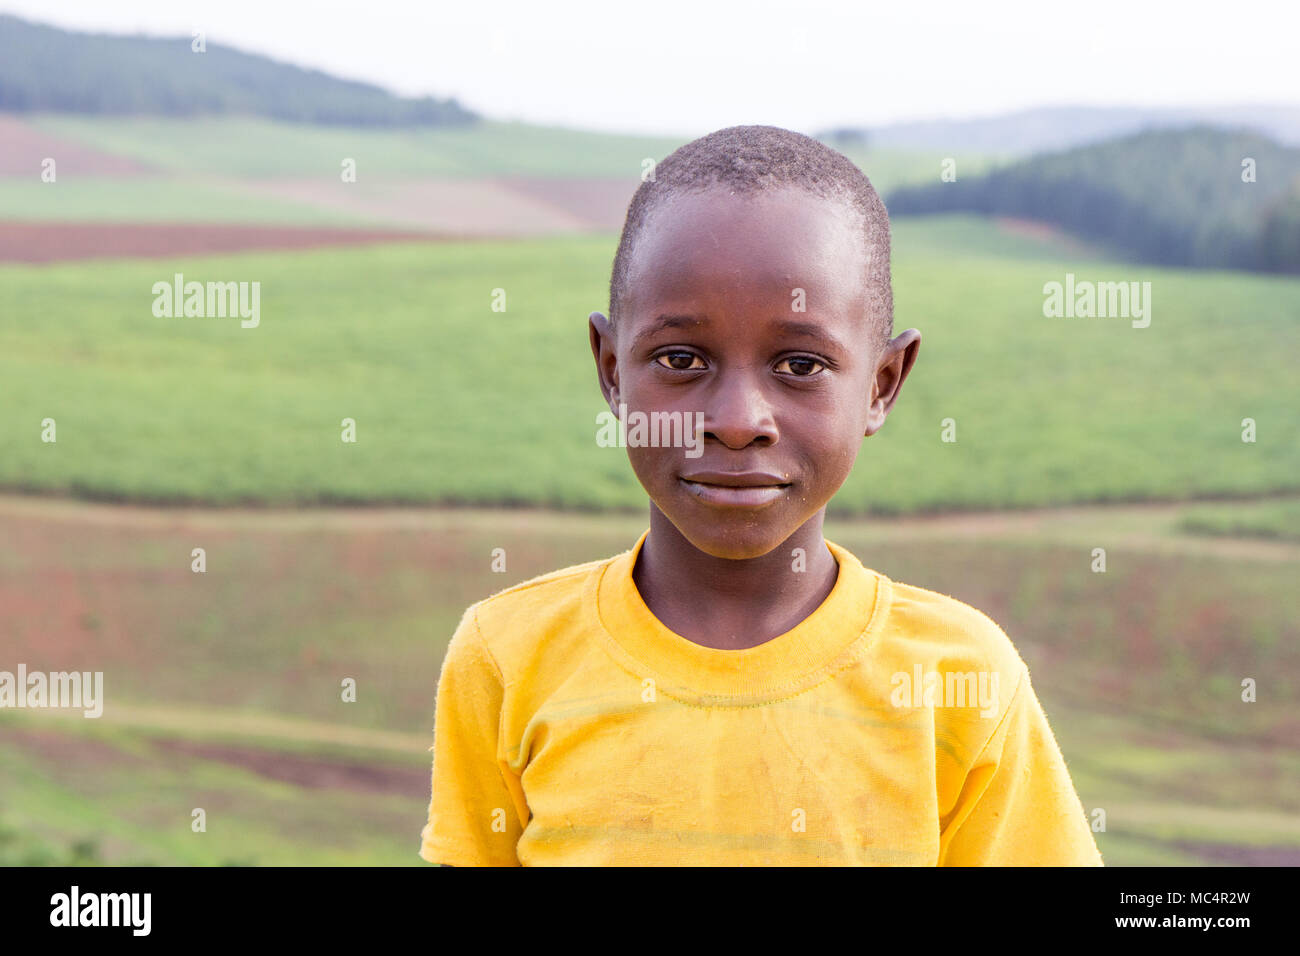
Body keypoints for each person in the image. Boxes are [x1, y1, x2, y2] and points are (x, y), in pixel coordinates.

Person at [419, 125, 1102, 866]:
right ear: (613, 371)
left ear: (881, 384)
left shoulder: (957, 679)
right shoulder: (507, 658)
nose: (739, 422)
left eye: (800, 364)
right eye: (681, 359)